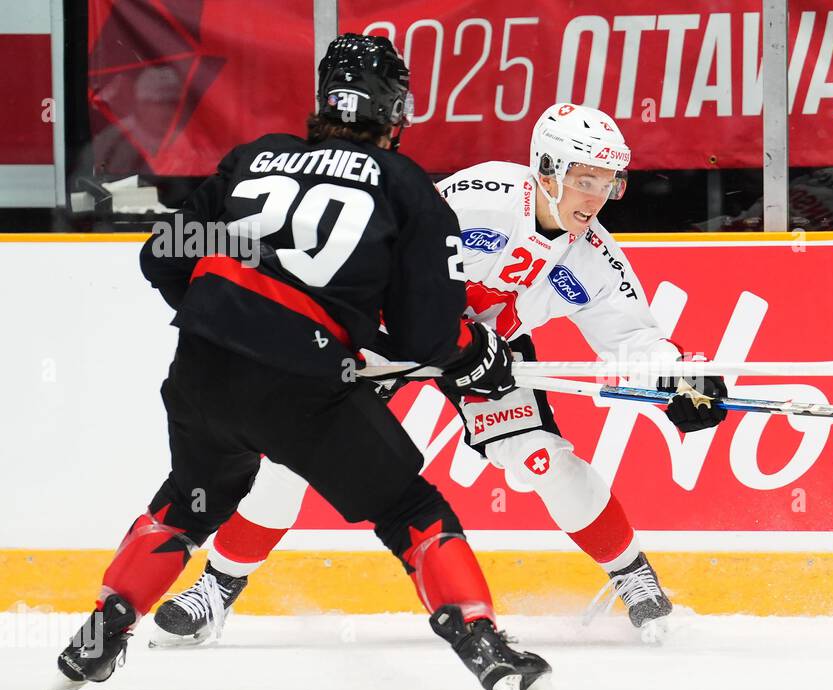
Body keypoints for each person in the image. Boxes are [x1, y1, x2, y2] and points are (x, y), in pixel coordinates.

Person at [45, 34, 558, 690]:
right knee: (409, 507)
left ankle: (100, 631)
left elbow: (161, 255)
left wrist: (227, 311)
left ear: (326, 102)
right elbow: (427, 335)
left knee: (193, 496)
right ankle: (483, 643)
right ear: (394, 110)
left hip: (202, 367)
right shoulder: (408, 188)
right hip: (302, 388)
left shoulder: (255, 157)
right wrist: (476, 358)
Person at [152, 102, 729, 647]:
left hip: (487, 353)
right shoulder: (482, 196)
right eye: (586, 178)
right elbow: (390, 243)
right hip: (392, 330)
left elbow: (634, 341)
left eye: (609, 182)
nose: (597, 196)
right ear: (547, 168)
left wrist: (681, 378)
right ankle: (218, 586)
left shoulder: (595, 258)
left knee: (540, 460)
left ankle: (631, 575)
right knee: (290, 457)